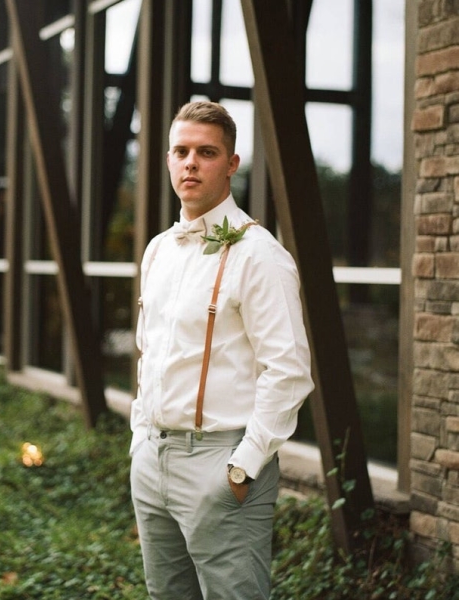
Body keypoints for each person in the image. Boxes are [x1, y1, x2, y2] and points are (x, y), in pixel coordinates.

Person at [129, 101, 314, 600]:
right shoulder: (158, 250)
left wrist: (243, 466)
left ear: (231, 164)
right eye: (181, 151)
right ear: (168, 159)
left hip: (222, 463)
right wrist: (140, 438)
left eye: (206, 152)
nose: (191, 162)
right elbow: (151, 353)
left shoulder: (261, 256)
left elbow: (289, 370)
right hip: (153, 460)